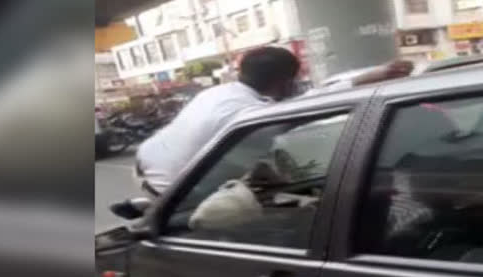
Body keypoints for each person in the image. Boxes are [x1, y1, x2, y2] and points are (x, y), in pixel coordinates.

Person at [135, 46, 412, 194]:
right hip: (178, 199)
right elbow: (313, 104)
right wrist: (375, 75)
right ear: (284, 81)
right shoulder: (252, 115)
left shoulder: (218, 93)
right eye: (296, 80)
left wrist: (374, 74)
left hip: (149, 170)